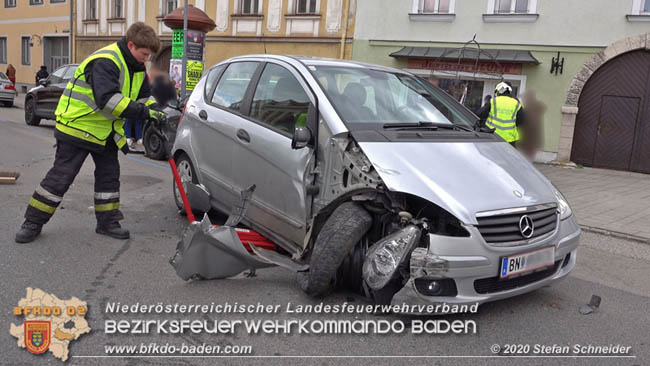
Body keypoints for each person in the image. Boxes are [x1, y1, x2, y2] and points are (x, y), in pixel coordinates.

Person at [15, 22, 166, 244]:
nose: (146, 59)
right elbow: (108, 101)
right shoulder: (107, 61)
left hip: (105, 132)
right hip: (78, 127)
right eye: (144, 54)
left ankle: (107, 222)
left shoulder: (136, 67)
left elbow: (143, 96)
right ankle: (32, 222)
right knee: (61, 178)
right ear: (131, 45)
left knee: (109, 177)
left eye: (148, 56)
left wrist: (154, 109)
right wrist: (144, 113)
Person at [477, 82, 524, 146]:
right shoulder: (516, 103)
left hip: (493, 136)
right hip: (510, 139)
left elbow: (480, 113)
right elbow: (521, 121)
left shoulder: (494, 101)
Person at [519, 91, 546, 160]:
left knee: (526, 161)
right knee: (527, 160)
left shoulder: (529, 110)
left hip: (528, 142)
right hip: (530, 141)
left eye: (524, 98)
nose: (524, 100)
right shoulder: (533, 109)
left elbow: (531, 126)